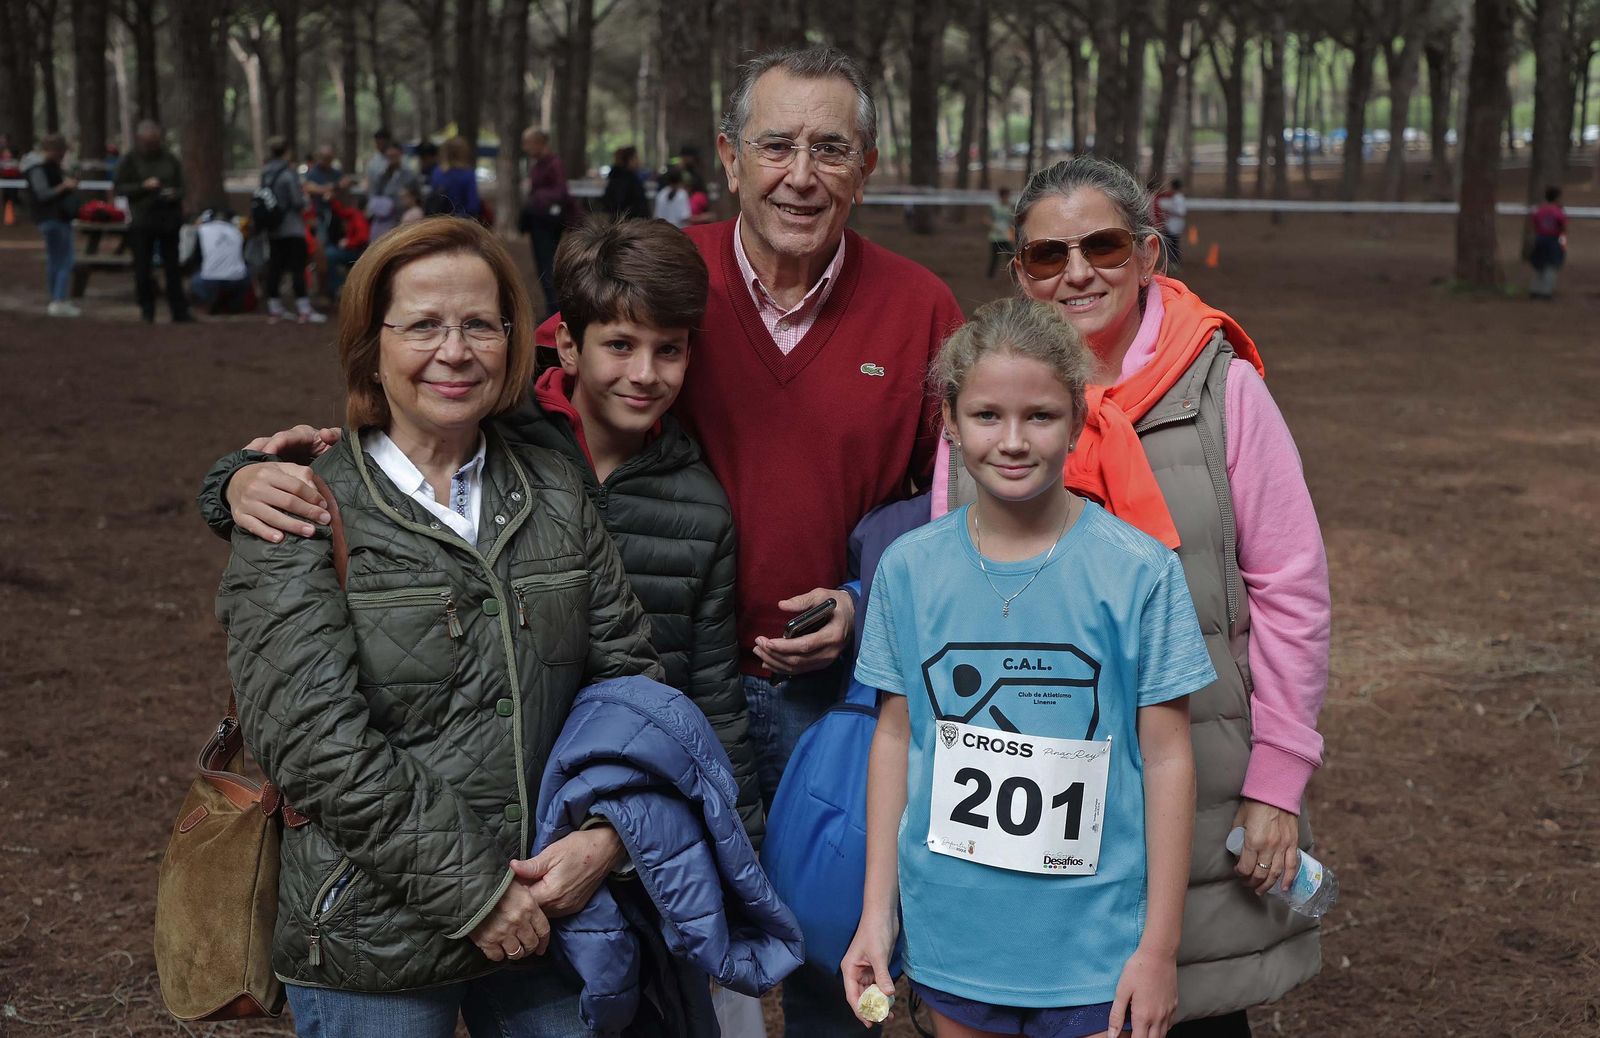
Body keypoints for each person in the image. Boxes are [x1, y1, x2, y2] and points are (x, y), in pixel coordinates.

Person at [198, 46, 962, 1034]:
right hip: (603, 727)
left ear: (866, 165)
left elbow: (954, 503)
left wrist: (866, 604)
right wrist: (237, 478)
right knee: (667, 973)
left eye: (831, 148)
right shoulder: (657, 279)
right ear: (730, 156)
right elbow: (450, 377)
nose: (801, 175)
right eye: (777, 145)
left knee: (827, 949)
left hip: (817, 697)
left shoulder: (918, 309)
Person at [212, 217, 663, 1037]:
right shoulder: (300, 506)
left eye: (479, 325)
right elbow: (313, 744)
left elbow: (631, 689)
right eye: (422, 325)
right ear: (370, 346)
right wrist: (479, 894)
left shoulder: (554, 490)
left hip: (554, 918)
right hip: (370, 934)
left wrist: (606, 837)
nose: (454, 352)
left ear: (512, 341)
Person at [999, 155, 1329, 1032]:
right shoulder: (991, 397)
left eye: (1103, 247)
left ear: (1149, 255)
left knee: (1192, 1008)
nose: (1077, 273)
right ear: (1020, 274)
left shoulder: (1226, 390)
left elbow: (1292, 591)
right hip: (1034, 777)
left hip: (1204, 769)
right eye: (1048, 255)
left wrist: (1277, 782)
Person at [842, 298, 1209, 1038]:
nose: (1012, 441)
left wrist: (1159, 949)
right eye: (987, 415)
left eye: (1040, 416)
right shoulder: (908, 569)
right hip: (955, 933)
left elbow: (1169, 759)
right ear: (950, 421)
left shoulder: (1138, 572)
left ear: (1077, 420)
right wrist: (877, 916)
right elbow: (896, 738)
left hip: (1096, 947)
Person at [498, 214, 763, 842]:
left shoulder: (701, 507)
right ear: (569, 345)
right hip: (498, 800)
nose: (645, 373)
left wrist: (744, 849)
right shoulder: (496, 445)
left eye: (668, 349)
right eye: (620, 345)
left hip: (624, 808)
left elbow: (713, 696)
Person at [113, 119, 192, 323]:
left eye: (155, 142)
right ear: (140, 140)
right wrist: (143, 187)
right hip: (142, 221)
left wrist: (174, 194)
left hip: (168, 220)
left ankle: (179, 311)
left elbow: (182, 187)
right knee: (142, 268)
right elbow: (119, 188)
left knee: (173, 267)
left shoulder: (170, 159)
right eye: (148, 143)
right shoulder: (129, 160)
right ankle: (147, 309)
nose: (152, 146)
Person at [259, 136, 326, 324]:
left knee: (275, 267)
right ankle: (304, 310)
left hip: (273, 228)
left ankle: (275, 308)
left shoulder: (266, 173)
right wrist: (305, 200)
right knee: (298, 267)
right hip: (292, 228)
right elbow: (297, 202)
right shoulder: (288, 174)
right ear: (287, 151)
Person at [24, 132, 80, 317]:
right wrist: (64, 186)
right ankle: (59, 300)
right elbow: (43, 194)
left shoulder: (49, 167)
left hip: (55, 218)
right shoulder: (38, 168)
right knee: (65, 260)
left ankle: (56, 298)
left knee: (55, 259)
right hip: (53, 218)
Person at [519, 127, 570, 318]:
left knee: (549, 265)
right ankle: (552, 309)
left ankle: (556, 311)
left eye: (528, 143)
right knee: (542, 266)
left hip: (548, 223)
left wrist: (538, 196)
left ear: (539, 142)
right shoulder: (538, 165)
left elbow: (561, 191)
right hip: (538, 222)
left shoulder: (554, 164)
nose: (525, 148)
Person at [189, 208, 254, 313]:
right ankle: (233, 302)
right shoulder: (236, 231)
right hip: (237, 279)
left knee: (194, 280)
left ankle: (208, 302)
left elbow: (196, 258)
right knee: (247, 271)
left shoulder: (202, 230)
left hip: (209, 280)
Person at [324, 189, 371, 302]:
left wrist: (347, 243)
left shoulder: (358, 216)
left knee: (330, 254)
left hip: (356, 252)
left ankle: (338, 286)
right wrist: (333, 200)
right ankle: (337, 286)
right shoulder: (354, 214)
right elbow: (341, 212)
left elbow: (363, 237)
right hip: (353, 249)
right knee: (329, 251)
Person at [1527, 185, 1567, 300]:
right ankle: (1546, 292)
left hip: (1540, 238)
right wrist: (1563, 244)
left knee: (1539, 265)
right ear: (1557, 198)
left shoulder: (1539, 210)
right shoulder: (1558, 211)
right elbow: (1563, 229)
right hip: (1553, 240)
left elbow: (1533, 224)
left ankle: (1534, 290)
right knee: (1551, 266)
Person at [429, 136, 483, 220]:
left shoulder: (437, 172)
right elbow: (473, 206)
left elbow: (433, 199)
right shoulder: (467, 174)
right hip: (461, 222)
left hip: (439, 221)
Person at [302, 143, 343, 240]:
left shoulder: (336, 173)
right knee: (321, 240)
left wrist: (333, 193)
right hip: (318, 214)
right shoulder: (313, 173)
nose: (326, 160)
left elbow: (343, 186)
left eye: (328, 158)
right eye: (324, 157)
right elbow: (309, 188)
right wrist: (334, 186)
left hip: (335, 214)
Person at [596, 147, 648, 220]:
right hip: (629, 222)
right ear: (629, 160)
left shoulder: (618, 177)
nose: (638, 161)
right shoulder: (627, 180)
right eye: (636, 157)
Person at [1154, 178, 1187, 269]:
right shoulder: (1175, 198)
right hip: (1172, 225)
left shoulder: (1178, 198)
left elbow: (1181, 212)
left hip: (1175, 225)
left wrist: (1169, 210)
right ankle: (1173, 262)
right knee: (1172, 244)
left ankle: (1173, 263)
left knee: (1172, 244)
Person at [986, 185, 1012, 279]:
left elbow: (1010, 221)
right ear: (1001, 196)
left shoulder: (1009, 207)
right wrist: (993, 226)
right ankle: (990, 276)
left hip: (1006, 236)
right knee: (995, 257)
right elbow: (986, 219)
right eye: (1006, 196)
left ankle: (1011, 274)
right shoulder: (994, 207)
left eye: (1008, 196)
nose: (1007, 198)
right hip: (995, 237)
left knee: (1011, 254)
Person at [363, 126, 394, 195]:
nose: (378, 144)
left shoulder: (396, 157)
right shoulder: (373, 161)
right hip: (377, 196)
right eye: (376, 142)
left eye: (381, 142)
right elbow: (369, 182)